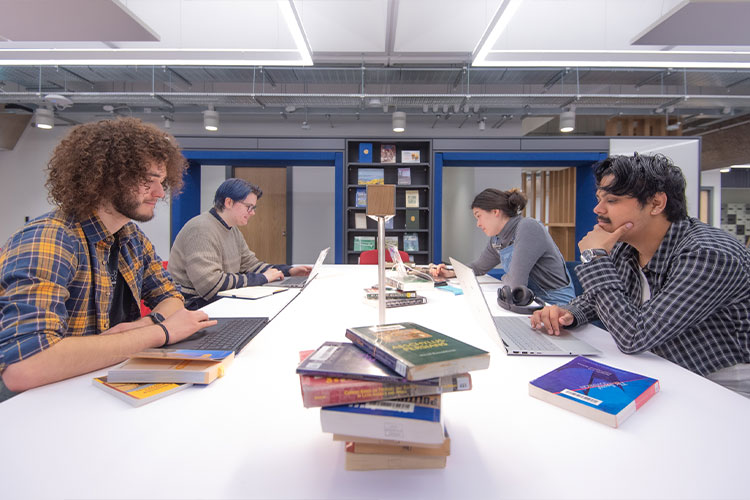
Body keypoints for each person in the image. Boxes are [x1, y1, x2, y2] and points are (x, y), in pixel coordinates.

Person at [0, 118, 216, 402]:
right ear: (103, 177)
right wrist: (161, 332)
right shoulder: (50, 239)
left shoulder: (131, 238)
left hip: (91, 389)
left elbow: (171, 297)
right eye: (147, 180)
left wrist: (142, 326)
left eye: (162, 182)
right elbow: (24, 368)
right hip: (36, 406)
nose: (160, 193)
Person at [531, 153, 750, 398]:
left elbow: (635, 335)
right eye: (599, 198)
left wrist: (595, 257)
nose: (598, 209)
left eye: (612, 200)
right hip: (661, 369)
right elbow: (601, 299)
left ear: (656, 203)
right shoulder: (627, 245)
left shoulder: (708, 254)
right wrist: (569, 312)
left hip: (721, 387)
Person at [168, 178, 311, 310]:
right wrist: (263, 278)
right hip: (193, 306)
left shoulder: (232, 229)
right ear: (229, 202)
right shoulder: (201, 229)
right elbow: (211, 286)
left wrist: (288, 271)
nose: (252, 213)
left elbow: (250, 265)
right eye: (249, 207)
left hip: (215, 301)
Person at [429, 188, 575, 305]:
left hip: (556, 306)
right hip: (529, 302)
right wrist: (451, 272)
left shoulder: (528, 227)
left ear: (495, 212)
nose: (478, 224)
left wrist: (507, 278)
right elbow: (479, 267)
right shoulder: (498, 238)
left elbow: (515, 284)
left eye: (478, 216)